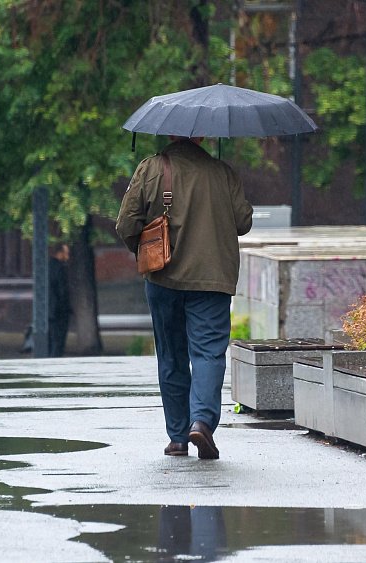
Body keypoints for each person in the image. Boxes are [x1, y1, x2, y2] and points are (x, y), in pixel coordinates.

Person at [116, 136, 253, 459]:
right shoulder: (222, 172)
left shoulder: (151, 169)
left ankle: (177, 437)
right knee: (207, 353)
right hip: (212, 279)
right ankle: (202, 422)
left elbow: (126, 223)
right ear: (202, 136)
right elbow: (243, 222)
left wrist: (144, 246)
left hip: (163, 278)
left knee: (171, 355)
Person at [48, 243, 71, 357]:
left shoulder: (47, 267)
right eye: (66, 253)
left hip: (48, 310)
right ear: (60, 253)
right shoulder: (60, 268)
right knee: (58, 341)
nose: (67, 257)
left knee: (49, 340)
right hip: (58, 311)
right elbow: (62, 291)